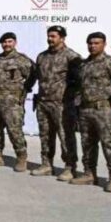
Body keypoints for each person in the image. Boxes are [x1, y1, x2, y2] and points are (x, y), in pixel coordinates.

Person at [72, 32, 111, 192]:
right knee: (87, 143)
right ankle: (90, 173)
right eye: (90, 43)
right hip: (85, 109)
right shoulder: (83, 65)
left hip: (104, 109)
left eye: (97, 43)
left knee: (109, 144)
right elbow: (79, 85)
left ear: (104, 44)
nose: (93, 46)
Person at [29, 26, 82, 180]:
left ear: (62, 38)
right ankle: (46, 164)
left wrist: (73, 101)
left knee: (66, 136)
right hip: (43, 102)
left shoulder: (72, 57)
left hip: (62, 104)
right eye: (49, 36)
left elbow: (79, 82)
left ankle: (70, 167)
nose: (50, 39)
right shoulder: (42, 57)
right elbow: (36, 77)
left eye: (53, 36)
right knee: (45, 135)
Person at [0, 32, 34, 171]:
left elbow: (33, 75)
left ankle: (21, 157)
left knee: (14, 130)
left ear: (15, 43)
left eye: (9, 42)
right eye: (4, 42)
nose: (7, 44)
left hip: (11, 101)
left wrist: (24, 91)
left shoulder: (22, 60)